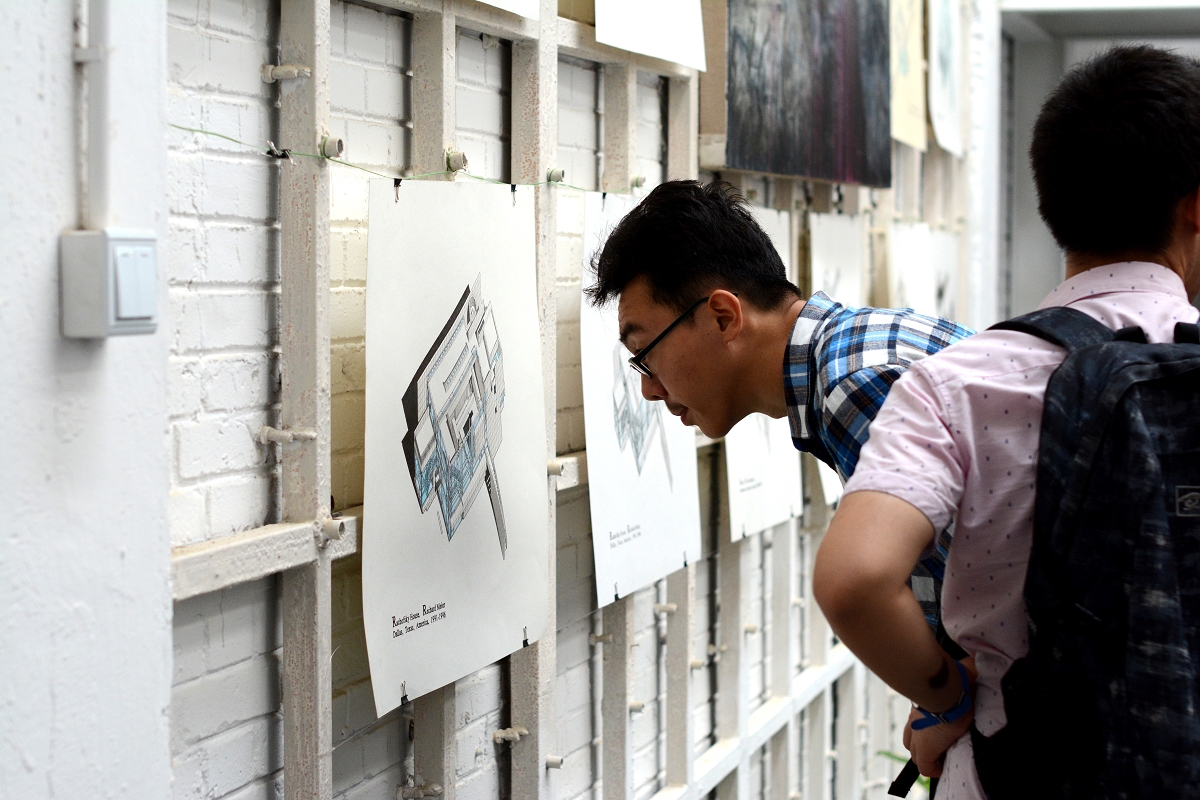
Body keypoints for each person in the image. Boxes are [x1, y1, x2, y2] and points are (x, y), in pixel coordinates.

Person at [812, 45, 1200, 799]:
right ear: (1196, 204)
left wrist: (948, 696)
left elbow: (856, 579)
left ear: (1051, 198)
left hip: (1017, 770)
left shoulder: (959, 382)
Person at [587, 179, 972, 630]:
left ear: (723, 318)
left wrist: (946, 678)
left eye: (645, 354)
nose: (648, 390)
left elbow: (977, 602)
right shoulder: (855, 347)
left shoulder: (851, 385)